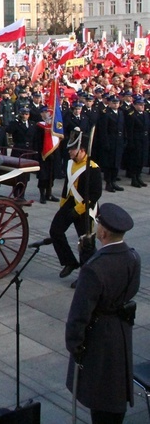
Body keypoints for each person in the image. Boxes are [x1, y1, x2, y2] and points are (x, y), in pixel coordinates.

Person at [65, 203, 140, 423]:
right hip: (121, 329)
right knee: (115, 387)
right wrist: (90, 256)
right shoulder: (133, 257)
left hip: (99, 334)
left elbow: (79, 313)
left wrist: (74, 343)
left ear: (103, 232)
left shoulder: (94, 269)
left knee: (100, 395)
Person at [50, 131, 102, 279]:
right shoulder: (70, 163)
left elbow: (95, 194)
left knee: (85, 243)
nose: (69, 151)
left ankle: (86, 276)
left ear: (82, 150)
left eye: (72, 149)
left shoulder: (93, 168)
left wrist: (79, 209)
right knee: (55, 231)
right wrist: (63, 204)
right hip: (70, 203)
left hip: (85, 207)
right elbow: (67, 185)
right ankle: (69, 261)